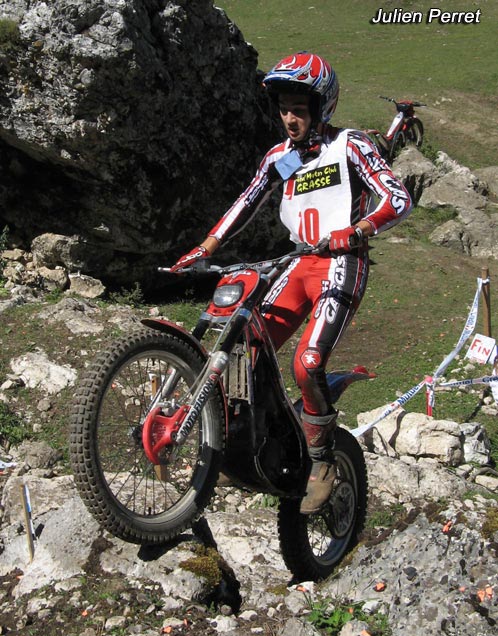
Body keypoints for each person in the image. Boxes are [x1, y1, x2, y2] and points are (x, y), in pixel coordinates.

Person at [171, 52, 412, 514]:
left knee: (308, 362)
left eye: (298, 110)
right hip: (298, 263)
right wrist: (206, 246)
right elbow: (248, 199)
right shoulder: (281, 158)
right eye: (283, 109)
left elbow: (398, 198)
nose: (289, 119)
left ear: (321, 108)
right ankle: (250, 439)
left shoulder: (350, 146)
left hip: (342, 262)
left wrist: (358, 230)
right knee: (246, 347)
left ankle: (322, 459)